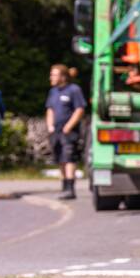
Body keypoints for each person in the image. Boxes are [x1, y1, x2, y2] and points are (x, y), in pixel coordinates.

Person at [45, 64, 87, 200]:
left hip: (69, 131)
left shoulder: (74, 90)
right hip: (55, 130)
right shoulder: (53, 91)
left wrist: (69, 126)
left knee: (68, 158)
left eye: (54, 75)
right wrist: (50, 126)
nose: (51, 77)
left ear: (63, 77)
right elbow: (50, 109)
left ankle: (70, 188)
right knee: (60, 159)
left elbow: (79, 109)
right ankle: (64, 186)